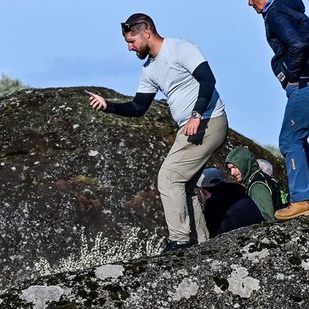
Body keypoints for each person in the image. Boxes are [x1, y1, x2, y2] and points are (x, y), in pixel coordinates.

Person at [87, 14, 228, 253]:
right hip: (189, 127)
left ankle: (180, 241)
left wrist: (196, 115)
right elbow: (138, 108)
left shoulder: (180, 48)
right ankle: (202, 245)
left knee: (168, 177)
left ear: (147, 32)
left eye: (132, 41)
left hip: (208, 121)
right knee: (184, 185)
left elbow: (208, 80)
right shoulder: (149, 69)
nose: (129, 48)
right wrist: (108, 105)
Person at [249, 0, 309, 220]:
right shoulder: (289, 8)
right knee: (298, 137)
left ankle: (302, 200)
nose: (249, 3)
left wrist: (291, 76)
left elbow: (298, 46)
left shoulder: (276, 12)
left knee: (289, 140)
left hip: (308, 81)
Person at [197, 168, 264, 237]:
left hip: (237, 242)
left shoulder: (213, 206)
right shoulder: (241, 194)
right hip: (259, 236)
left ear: (203, 190)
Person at [226, 146, 284, 222]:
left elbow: (267, 219)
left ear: (244, 163)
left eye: (234, 167)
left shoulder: (257, 186)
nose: (232, 173)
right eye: (230, 169)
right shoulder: (262, 178)